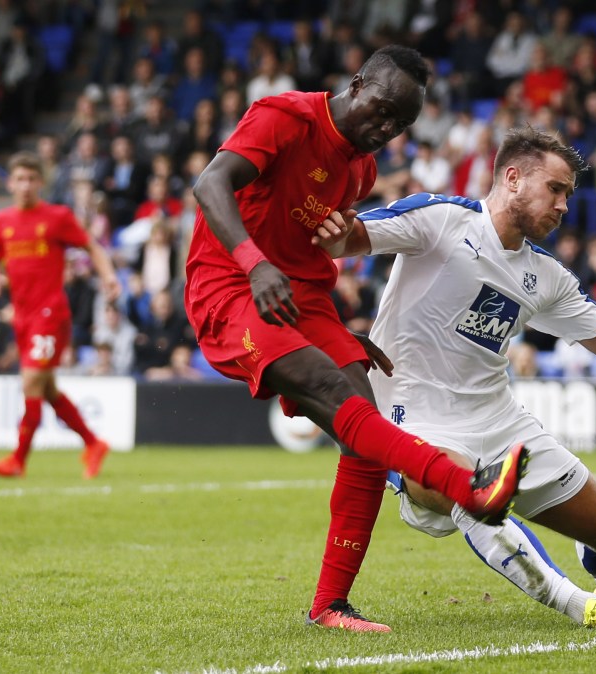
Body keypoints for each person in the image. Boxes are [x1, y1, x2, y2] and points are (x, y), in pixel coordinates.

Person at [315, 127, 596, 631]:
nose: (564, 205)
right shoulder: (439, 220)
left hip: (500, 422)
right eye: (556, 189)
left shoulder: (545, 276)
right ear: (512, 178)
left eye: (569, 193)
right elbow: (340, 240)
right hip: (412, 424)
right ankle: (584, 608)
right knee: (475, 498)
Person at [184, 44, 527, 634]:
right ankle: (464, 487)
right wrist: (253, 262)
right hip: (231, 286)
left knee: (361, 430)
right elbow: (209, 183)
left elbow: (309, 246)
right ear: (358, 82)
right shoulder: (283, 117)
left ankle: (330, 605)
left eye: (401, 124)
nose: (385, 128)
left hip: (302, 299)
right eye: (382, 109)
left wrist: (337, 326)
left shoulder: (361, 171)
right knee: (330, 390)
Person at [0, 151, 121, 479]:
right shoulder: (3, 221)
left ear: (41, 182)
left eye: (31, 179)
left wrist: (109, 276)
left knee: (30, 380)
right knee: (47, 389)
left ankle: (17, 459)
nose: (26, 185)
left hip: (50, 314)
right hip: (22, 317)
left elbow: (92, 246)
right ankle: (93, 443)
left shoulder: (56, 216)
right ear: (9, 184)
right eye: (19, 179)